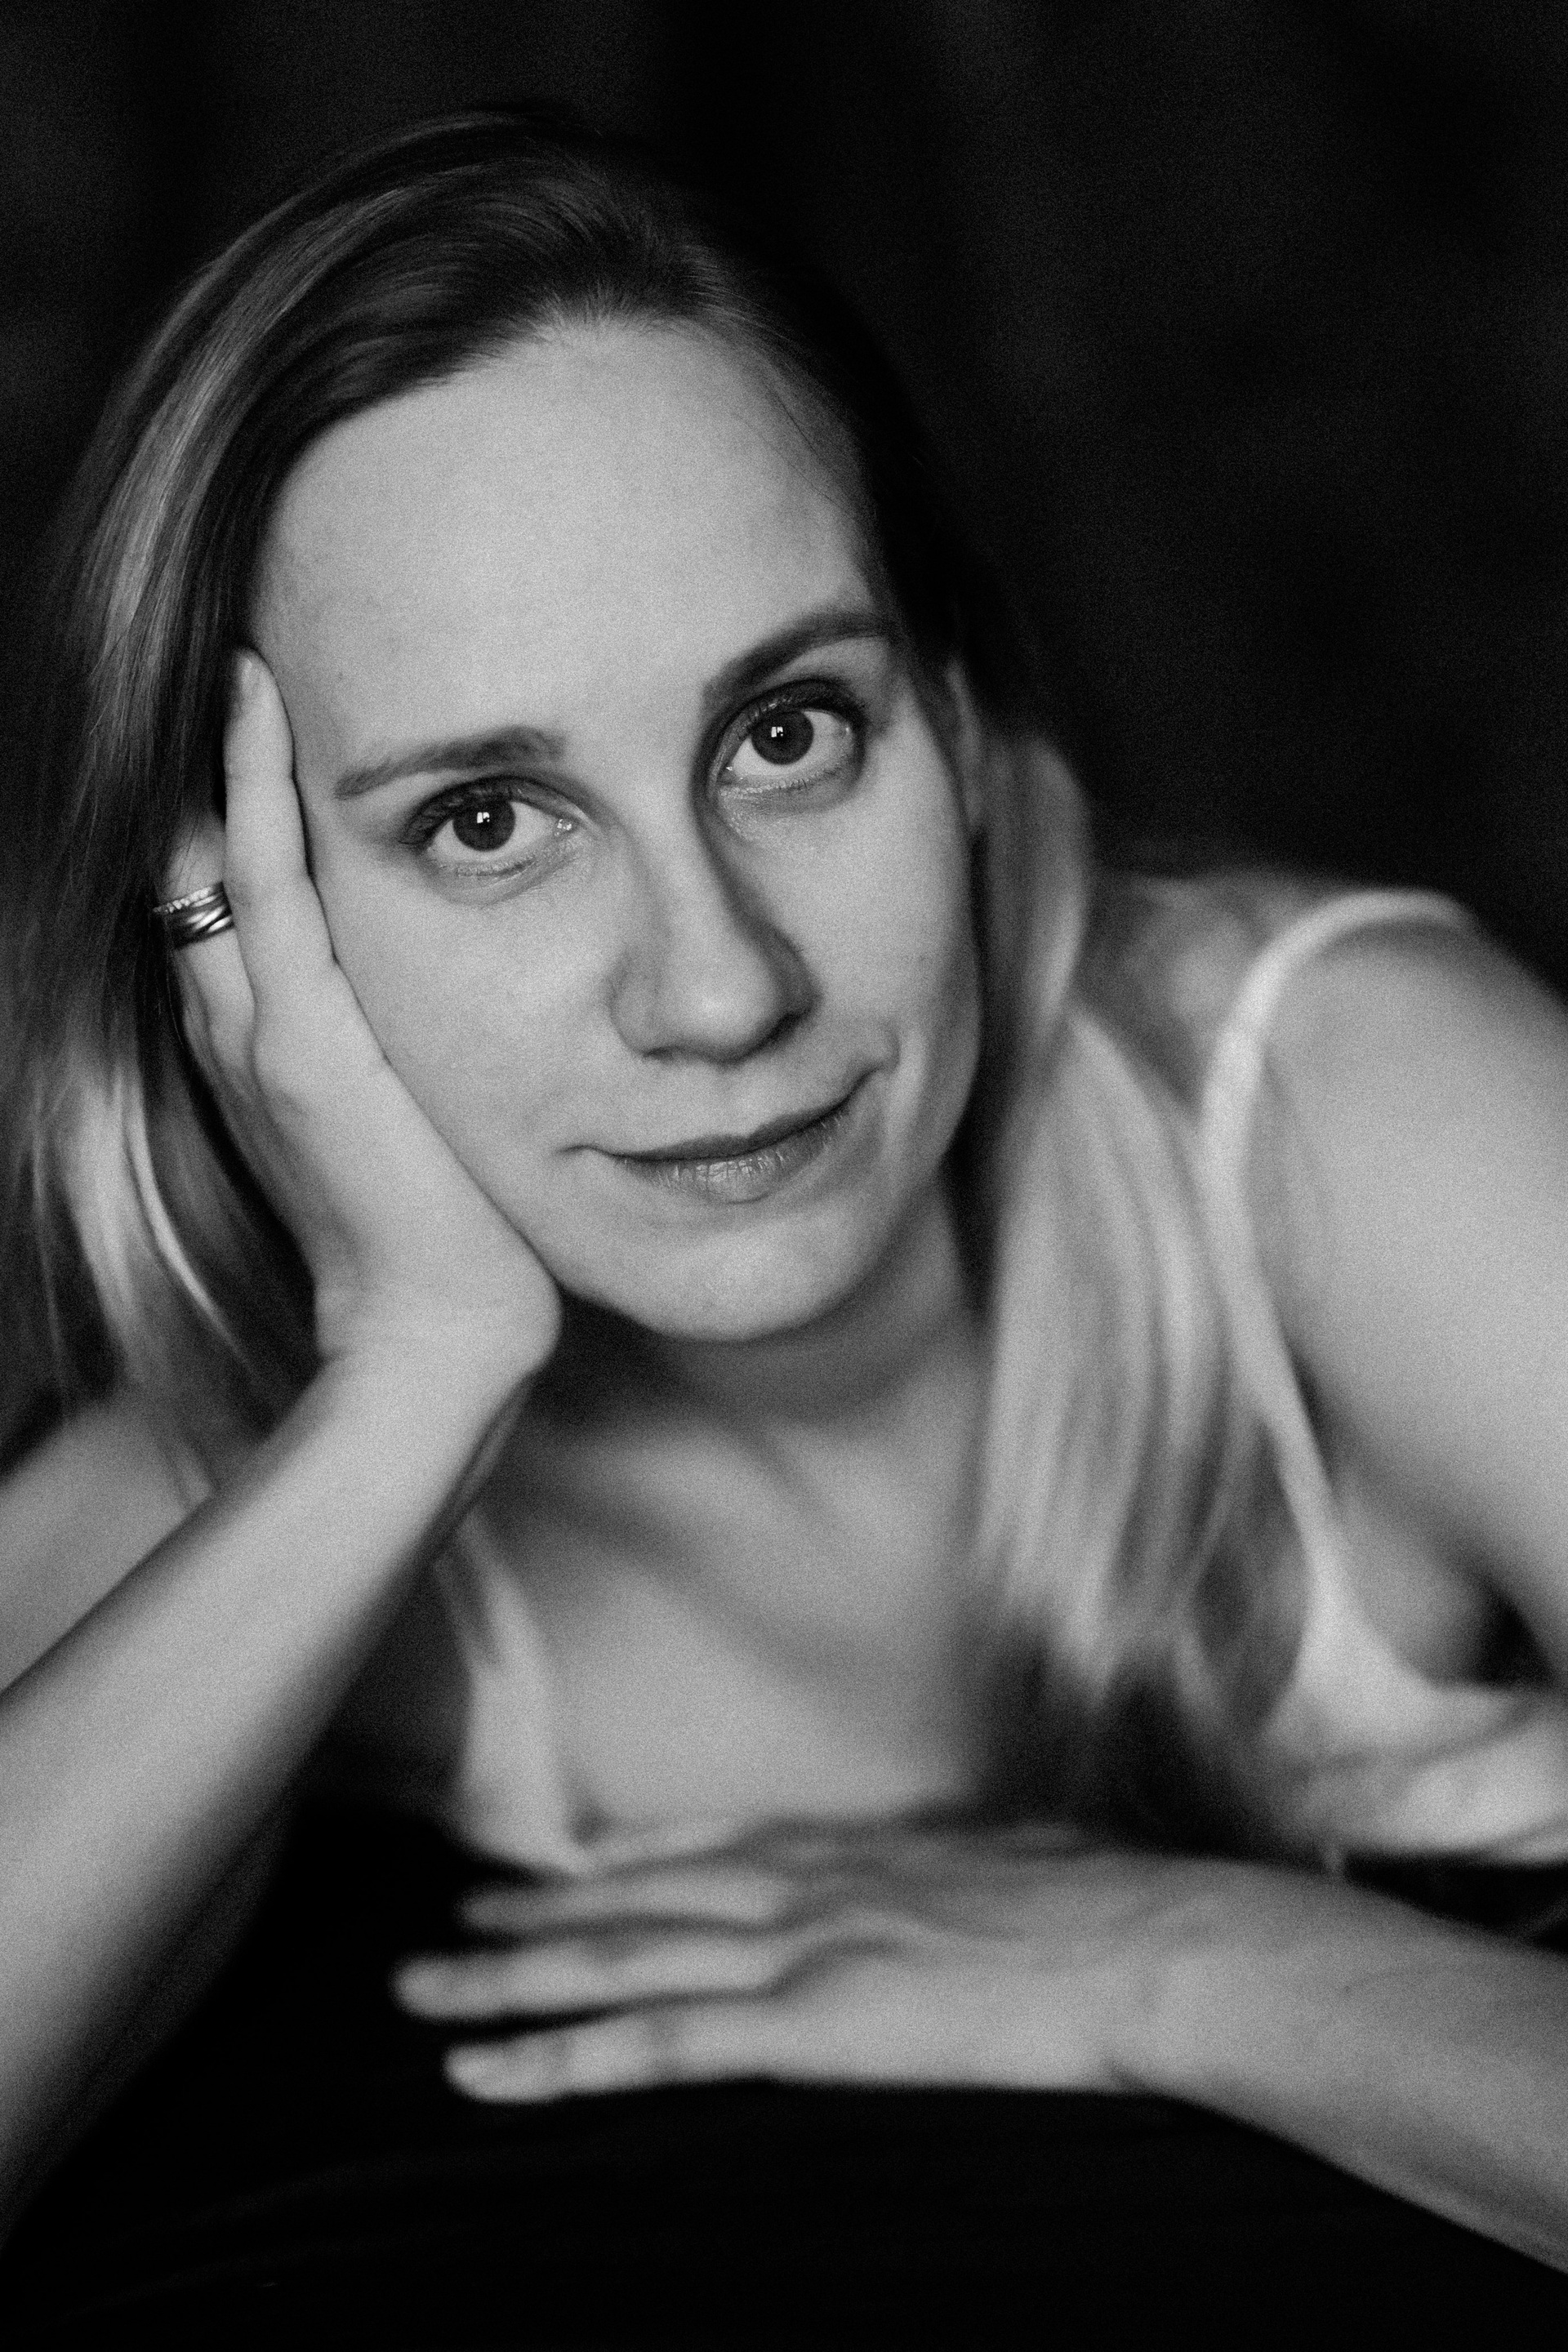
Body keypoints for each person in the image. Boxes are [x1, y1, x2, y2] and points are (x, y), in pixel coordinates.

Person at [1, 109, 1566, 2296]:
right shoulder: (255, 1455)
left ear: (958, 722)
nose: (723, 988)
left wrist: (1183, 1969)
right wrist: (409, 1380)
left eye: (790, 732)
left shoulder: (1341, 1102)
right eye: (485, 820)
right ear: (239, 921)